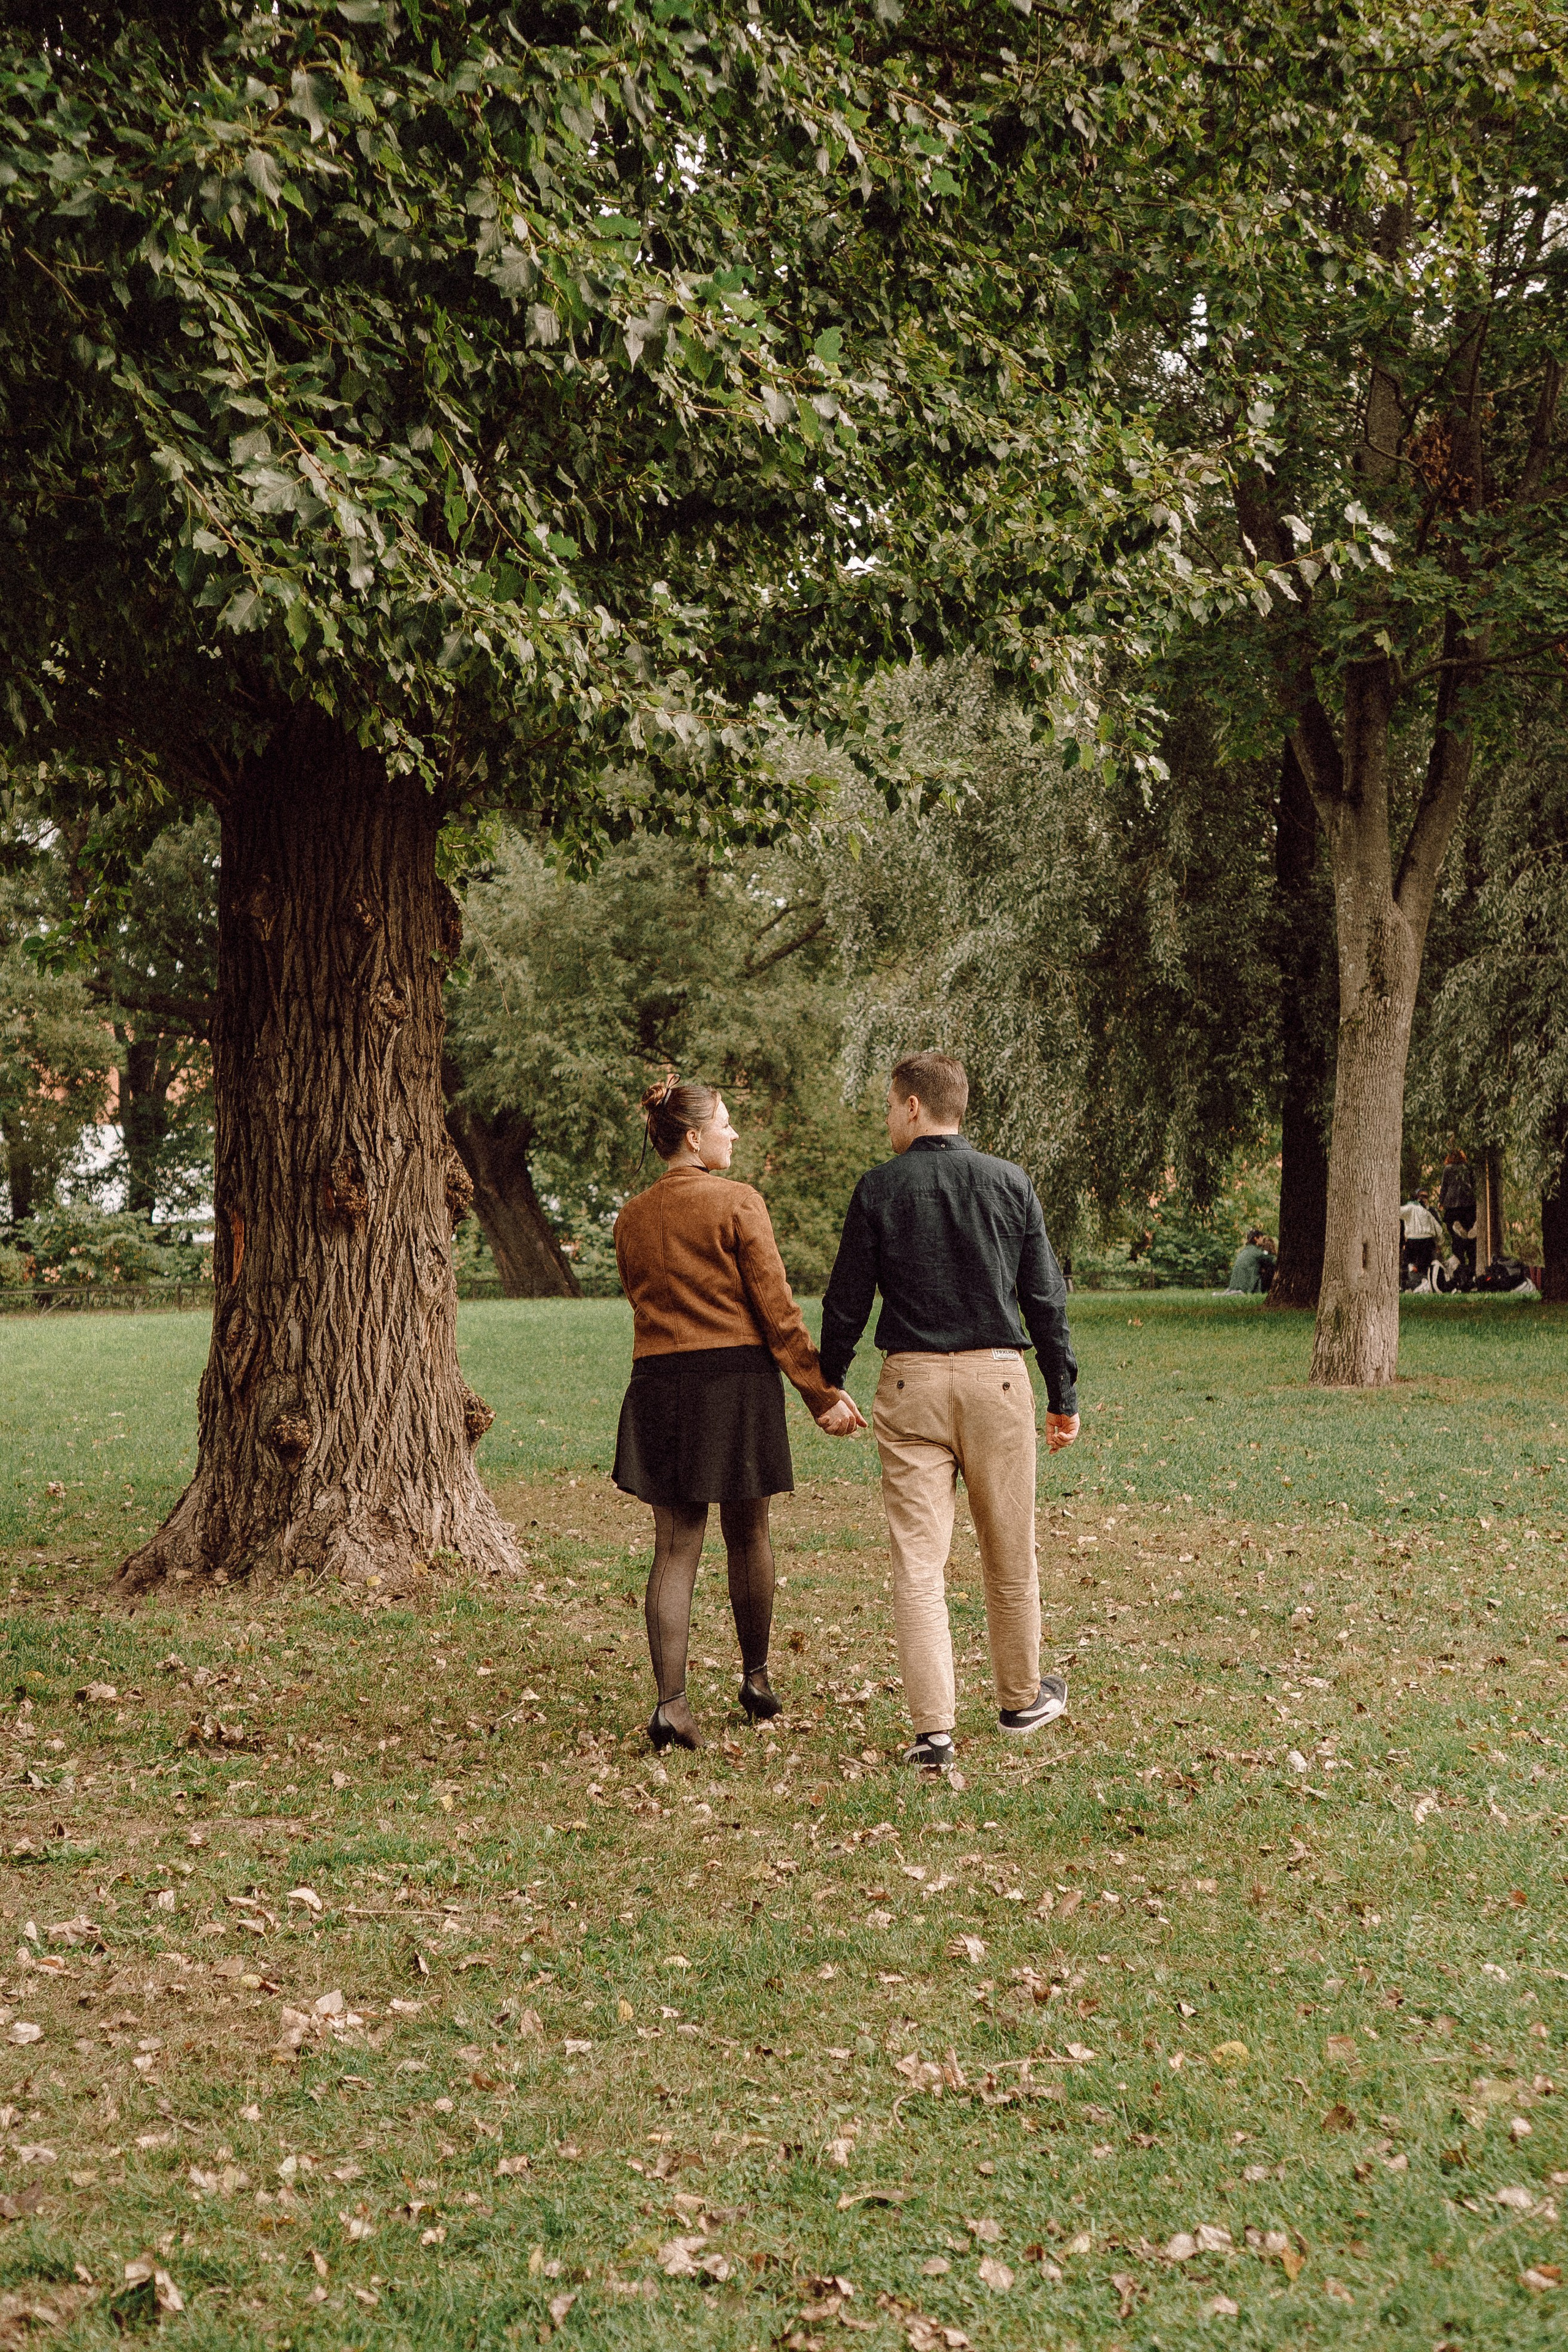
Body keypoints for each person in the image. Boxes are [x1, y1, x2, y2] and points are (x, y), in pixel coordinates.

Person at [818, 1051, 1079, 1771]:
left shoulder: (878, 1188)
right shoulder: (1009, 1181)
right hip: (998, 1383)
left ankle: (933, 1734)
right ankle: (1020, 1699)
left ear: (912, 1106)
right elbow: (1045, 1297)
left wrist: (828, 1382)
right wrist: (1063, 1395)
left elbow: (847, 1297)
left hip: (911, 1386)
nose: (886, 1118)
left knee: (918, 1561)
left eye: (888, 1105)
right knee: (1009, 1549)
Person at [612, 1078, 865, 1753]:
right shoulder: (737, 1201)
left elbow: (637, 1296)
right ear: (695, 1137)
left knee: (675, 1545)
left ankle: (670, 1706)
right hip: (734, 1381)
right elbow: (777, 1312)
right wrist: (821, 1395)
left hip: (658, 1382)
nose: (733, 1134)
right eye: (725, 1123)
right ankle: (755, 1680)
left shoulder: (630, 1217)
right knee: (748, 1532)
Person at [1439, 1150, 1477, 1283]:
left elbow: (1444, 1187)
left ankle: (1460, 1272)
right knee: (1472, 1244)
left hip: (1452, 1207)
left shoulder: (1448, 1169)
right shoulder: (1468, 1168)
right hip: (1468, 1206)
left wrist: (1441, 1202)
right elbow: (1474, 1184)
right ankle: (1472, 1271)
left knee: (1456, 1241)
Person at [1400, 1188, 1443, 1289]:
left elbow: (1438, 1228)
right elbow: (1439, 1230)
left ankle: (1421, 1286)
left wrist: (1438, 1244)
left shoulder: (1429, 1211)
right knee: (1412, 1266)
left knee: (1421, 1266)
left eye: (1426, 1197)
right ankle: (1413, 1286)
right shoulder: (1420, 1211)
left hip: (1422, 1241)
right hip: (1419, 1241)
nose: (1423, 1199)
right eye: (1421, 1196)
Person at [1224, 1229, 1276, 1294]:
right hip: (1246, 1287)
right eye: (1261, 1238)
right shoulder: (1257, 1252)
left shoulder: (1245, 1251)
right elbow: (1274, 1260)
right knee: (1270, 1268)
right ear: (1256, 1239)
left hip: (1235, 1286)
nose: (1262, 1240)